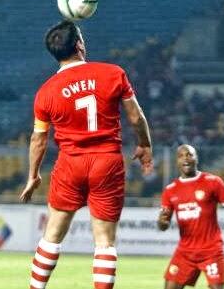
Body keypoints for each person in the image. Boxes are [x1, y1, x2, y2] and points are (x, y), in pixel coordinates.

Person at [19, 20, 153, 289]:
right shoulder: (113, 74)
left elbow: (38, 140)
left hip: (71, 163)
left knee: (52, 235)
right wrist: (145, 145)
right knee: (104, 241)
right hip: (107, 161)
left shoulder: (45, 92)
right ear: (79, 44)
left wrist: (33, 175)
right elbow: (136, 117)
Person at [158, 144, 224, 289]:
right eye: (181, 156)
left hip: (211, 250)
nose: (185, 158)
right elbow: (163, 223)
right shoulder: (170, 190)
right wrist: (161, 222)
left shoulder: (212, 181)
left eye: (189, 154)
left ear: (196, 158)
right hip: (185, 252)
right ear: (177, 161)